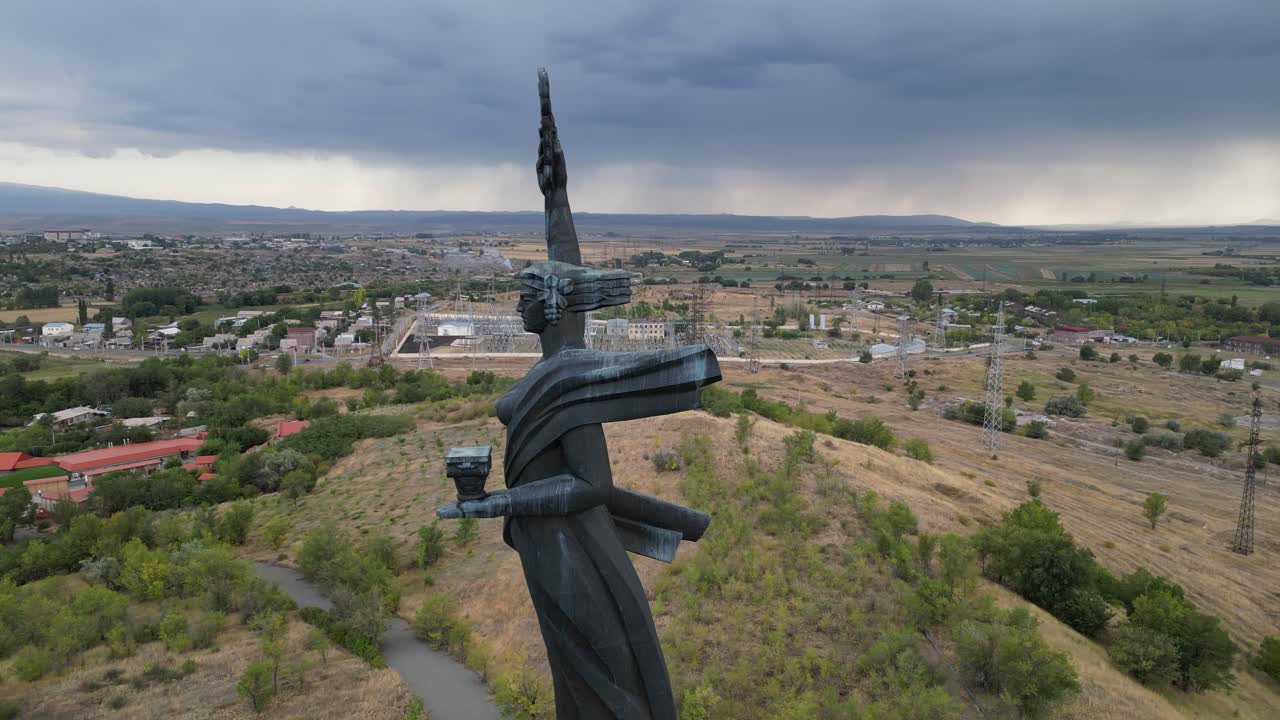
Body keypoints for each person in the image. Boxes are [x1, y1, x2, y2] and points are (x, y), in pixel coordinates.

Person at [436, 69, 720, 719]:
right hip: (548, 550)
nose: (518, 300)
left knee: (602, 692)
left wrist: (499, 501)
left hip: (578, 556)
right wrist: (555, 196)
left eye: (527, 292)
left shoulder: (568, 376)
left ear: (551, 304)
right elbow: (564, 262)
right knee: (576, 685)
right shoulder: (556, 362)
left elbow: (592, 484)